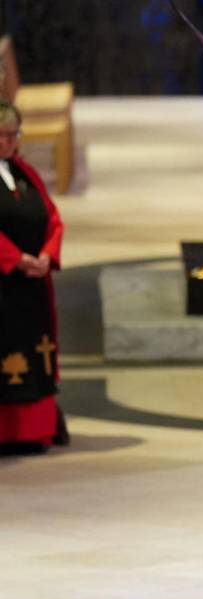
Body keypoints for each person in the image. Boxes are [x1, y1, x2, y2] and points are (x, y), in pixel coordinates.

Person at [0, 100, 66, 454]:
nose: (11, 141)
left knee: (37, 351)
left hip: (33, 285)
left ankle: (36, 429)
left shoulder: (23, 172)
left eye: (15, 134)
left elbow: (53, 217)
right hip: (5, 284)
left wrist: (45, 255)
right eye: (4, 135)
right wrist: (17, 259)